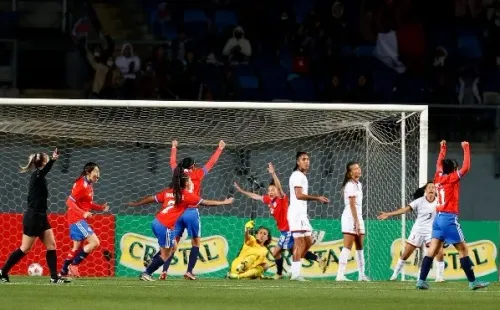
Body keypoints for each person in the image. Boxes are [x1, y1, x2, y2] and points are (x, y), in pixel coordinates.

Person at [234, 162, 328, 279]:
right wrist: (241, 191)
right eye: (269, 190)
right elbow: (255, 196)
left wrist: (273, 174)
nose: (271, 192)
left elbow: (279, 187)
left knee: (277, 252)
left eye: (273, 189)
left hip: (288, 230)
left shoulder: (282, 199)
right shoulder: (269, 200)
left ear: (277, 191)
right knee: (291, 250)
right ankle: (317, 260)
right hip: (285, 230)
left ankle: (285, 274)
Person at [416, 141, 488, 290]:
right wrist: (466, 148)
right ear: (453, 169)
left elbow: (438, 164)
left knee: (432, 250)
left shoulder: (438, 178)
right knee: (463, 250)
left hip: (438, 218)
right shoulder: (452, 178)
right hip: (449, 218)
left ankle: (421, 281)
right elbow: (466, 167)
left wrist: (443, 149)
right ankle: (473, 282)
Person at [138, 170, 234, 281]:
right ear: (187, 183)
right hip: (179, 218)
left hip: (166, 219)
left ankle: (160, 268)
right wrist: (224, 202)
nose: (191, 181)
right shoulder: (188, 192)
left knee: (173, 246)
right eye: (189, 180)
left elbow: (157, 197)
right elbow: (206, 202)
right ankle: (151, 272)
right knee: (184, 246)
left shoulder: (171, 191)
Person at [0, 149, 69, 284]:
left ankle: (54, 277)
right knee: (25, 249)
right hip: (33, 217)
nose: (49, 157)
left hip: (41, 216)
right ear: (44, 161)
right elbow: (44, 171)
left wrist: (53, 160)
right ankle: (3, 271)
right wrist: (54, 160)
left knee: (52, 245)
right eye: (47, 157)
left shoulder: (40, 176)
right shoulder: (37, 175)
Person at [160, 139, 225, 280]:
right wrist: (219, 148)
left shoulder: (177, 172)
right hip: (191, 212)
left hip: (178, 212)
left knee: (173, 242)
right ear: (193, 166)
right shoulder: (198, 174)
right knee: (195, 242)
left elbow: (171, 162)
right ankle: (189, 271)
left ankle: (164, 271)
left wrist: (173, 147)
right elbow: (211, 163)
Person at [378, 182, 446, 282]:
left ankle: (440, 277)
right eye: (429, 187)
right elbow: (405, 210)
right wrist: (389, 214)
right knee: (406, 253)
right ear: (425, 190)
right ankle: (394, 275)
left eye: (433, 187)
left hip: (430, 231)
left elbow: (444, 218)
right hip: (418, 230)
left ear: (435, 191)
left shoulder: (439, 203)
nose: (431, 189)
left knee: (439, 251)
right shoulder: (419, 201)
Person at [60, 163, 109, 278]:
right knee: (95, 242)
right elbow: (69, 201)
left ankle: (63, 272)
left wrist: (100, 207)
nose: (98, 175)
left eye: (99, 172)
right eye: (96, 172)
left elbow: (88, 203)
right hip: (76, 219)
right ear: (88, 172)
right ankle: (74, 265)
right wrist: (83, 213)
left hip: (78, 218)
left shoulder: (88, 185)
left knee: (76, 248)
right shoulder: (82, 184)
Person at [288, 152, 329, 281]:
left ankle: (293, 268)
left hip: (301, 215)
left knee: (308, 242)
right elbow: (299, 195)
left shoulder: (301, 176)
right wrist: (317, 198)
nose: (307, 161)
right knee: (299, 243)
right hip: (296, 214)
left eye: (308, 159)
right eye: (303, 159)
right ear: (297, 162)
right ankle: (295, 274)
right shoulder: (297, 175)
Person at [336, 161, 369, 281]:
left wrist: (358, 220)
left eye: (358, 167)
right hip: (350, 218)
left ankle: (361, 275)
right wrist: (356, 221)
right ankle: (340, 275)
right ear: (350, 173)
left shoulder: (358, 184)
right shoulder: (350, 184)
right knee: (347, 246)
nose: (358, 170)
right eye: (355, 169)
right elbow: (352, 205)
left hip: (358, 217)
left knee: (360, 246)